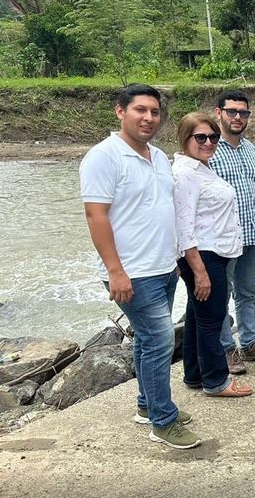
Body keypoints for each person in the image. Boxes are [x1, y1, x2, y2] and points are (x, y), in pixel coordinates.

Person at [79, 84, 199, 450]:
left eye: (155, 112)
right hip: (132, 272)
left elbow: (162, 210)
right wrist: (115, 271)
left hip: (162, 267)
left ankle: (148, 405)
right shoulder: (104, 157)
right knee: (160, 340)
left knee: (148, 340)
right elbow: (96, 216)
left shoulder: (158, 157)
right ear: (121, 111)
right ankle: (163, 421)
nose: (148, 118)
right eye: (140, 110)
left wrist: (174, 259)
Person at [172, 112, 253, 399]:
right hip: (203, 255)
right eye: (200, 137)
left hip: (213, 252)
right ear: (185, 138)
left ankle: (195, 374)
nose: (208, 142)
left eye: (213, 137)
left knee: (198, 316)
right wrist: (199, 271)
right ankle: (217, 380)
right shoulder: (185, 174)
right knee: (212, 318)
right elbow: (183, 227)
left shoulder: (201, 168)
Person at [208, 90, 255, 371]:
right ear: (219, 113)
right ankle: (226, 349)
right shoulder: (208, 148)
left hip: (250, 235)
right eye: (232, 111)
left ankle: (249, 343)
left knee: (247, 292)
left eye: (243, 112)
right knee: (221, 295)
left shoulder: (251, 149)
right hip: (222, 239)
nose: (238, 117)